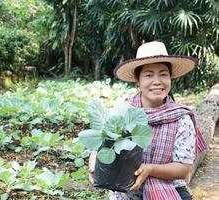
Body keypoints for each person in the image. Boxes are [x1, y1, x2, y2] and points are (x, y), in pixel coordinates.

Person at [88, 41, 207, 200]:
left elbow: (183, 170)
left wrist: (150, 169)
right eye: (149, 75)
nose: (157, 81)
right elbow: (99, 145)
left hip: (167, 187)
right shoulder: (123, 110)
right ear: (138, 81)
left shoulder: (181, 117)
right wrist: (93, 163)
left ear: (170, 78)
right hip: (124, 188)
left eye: (163, 74)